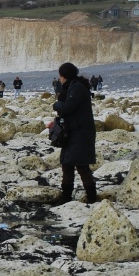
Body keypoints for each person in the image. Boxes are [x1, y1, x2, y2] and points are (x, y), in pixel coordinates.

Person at [52, 62, 97, 205]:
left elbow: (67, 108)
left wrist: (56, 105)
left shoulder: (77, 87)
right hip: (73, 131)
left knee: (81, 165)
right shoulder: (72, 86)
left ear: (64, 76)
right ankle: (67, 196)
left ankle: (91, 197)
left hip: (80, 133)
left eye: (60, 76)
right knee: (67, 164)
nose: (59, 79)